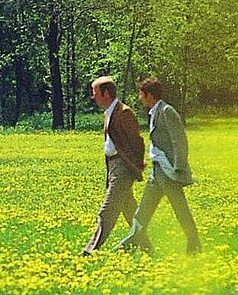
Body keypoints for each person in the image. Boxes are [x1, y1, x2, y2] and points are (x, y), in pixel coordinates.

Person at [118, 78, 201, 254]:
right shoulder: (155, 111)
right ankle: (127, 246)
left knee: (180, 210)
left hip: (168, 171)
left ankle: (194, 245)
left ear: (149, 95)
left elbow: (179, 140)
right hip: (157, 171)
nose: (139, 98)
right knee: (144, 212)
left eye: (141, 94)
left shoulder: (166, 111)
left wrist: (179, 168)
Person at [84, 75, 147, 254]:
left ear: (106, 94)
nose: (92, 97)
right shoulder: (108, 112)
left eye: (95, 92)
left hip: (123, 167)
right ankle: (147, 247)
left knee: (107, 210)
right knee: (130, 211)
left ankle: (90, 251)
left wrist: (135, 166)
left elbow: (137, 142)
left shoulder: (124, 112)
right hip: (113, 166)